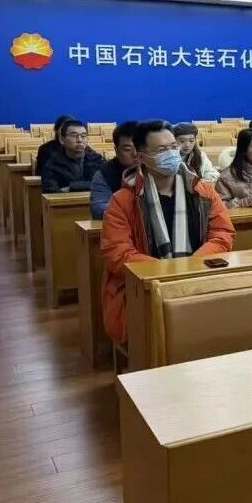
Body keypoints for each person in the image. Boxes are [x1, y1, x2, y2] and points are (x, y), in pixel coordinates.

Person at [100, 120, 234, 344]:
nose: (171, 154)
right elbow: (118, 254)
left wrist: (191, 267)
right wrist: (167, 274)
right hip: (146, 289)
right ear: (141, 157)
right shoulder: (123, 201)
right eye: (161, 150)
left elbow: (222, 234)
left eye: (173, 147)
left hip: (199, 278)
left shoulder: (204, 192)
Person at [41, 119, 105, 193]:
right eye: (74, 136)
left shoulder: (97, 160)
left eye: (83, 136)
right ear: (62, 140)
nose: (79, 140)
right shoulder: (52, 165)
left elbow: (105, 183)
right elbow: (51, 192)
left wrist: (72, 187)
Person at [90, 121, 138, 219]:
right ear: (116, 151)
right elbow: (98, 208)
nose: (135, 154)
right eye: (128, 149)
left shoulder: (155, 168)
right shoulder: (105, 173)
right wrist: (137, 210)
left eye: (139, 147)